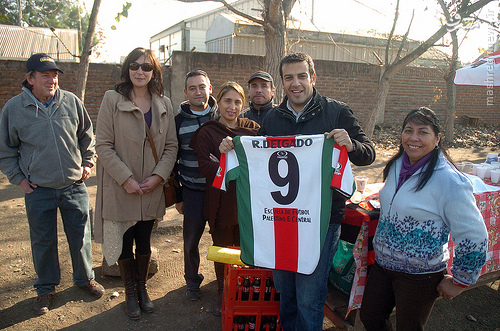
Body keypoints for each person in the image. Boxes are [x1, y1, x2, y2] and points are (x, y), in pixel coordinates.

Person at [219, 52, 375, 330]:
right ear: (282, 83)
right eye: (289, 77)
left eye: (302, 76)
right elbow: (259, 160)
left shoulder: (336, 111)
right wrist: (234, 148)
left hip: (321, 222)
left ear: (313, 78)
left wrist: (350, 144)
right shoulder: (273, 118)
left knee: (309, 297)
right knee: (286, 294)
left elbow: (368, 154)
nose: (296, 83)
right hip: (280, 221)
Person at [360, 107, 488, 331]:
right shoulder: (398, 164)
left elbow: (474, 235)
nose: (414, 138)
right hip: (383, 266)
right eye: (408, 130)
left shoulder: (450, 181)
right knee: (370, 317)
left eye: (423, 132)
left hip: (420, 277)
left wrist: (460, 280)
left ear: (438, 138)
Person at [0, 53, 104, 315]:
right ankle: (46, 288)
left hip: (73, 186)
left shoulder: (71, 102)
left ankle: (85, 279)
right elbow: (5, 150)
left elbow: (87, 137)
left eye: (54, 75)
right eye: (45, 75)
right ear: (30, 78)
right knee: (43, 241)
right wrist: (20, 180)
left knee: (80, 237)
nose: (52, 79)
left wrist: (88, 164)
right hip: (38, 190)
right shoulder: (14, 109)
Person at [94, 47, 178, 320]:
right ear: (127, 69)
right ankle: (129, 292)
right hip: (122, 188)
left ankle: (142, 288)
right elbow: (104, 145)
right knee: (124, 241)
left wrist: (158, 177)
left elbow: (171, 147)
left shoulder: (164, 103)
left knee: (144, 240)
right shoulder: (111, 99)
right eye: (134, 66)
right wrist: (126, 179)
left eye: (146, 67)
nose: (140, 72)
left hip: (150, 188)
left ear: (154, 72)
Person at [190, 81, 260, 316]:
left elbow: (260, 161)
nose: (232, 107)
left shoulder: (252, 128)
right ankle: (223, 289)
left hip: (246, 199)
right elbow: (205, 167)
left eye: (238, 102)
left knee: (243, 246)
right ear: (218, 102)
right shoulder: (208, 132)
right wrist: (222, 156)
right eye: (227, 101)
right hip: (220, 199)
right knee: (222, 246)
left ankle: (241, 289)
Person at [174, 69, 218, 301]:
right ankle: (192, 282)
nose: (198, 92)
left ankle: (224, 281)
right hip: (192, 191)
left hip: (220, 192)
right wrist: (178, 196)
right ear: (186, 92)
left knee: (223, 240)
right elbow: (172, 159)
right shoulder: (178, 121)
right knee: (191, 241)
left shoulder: (221, 116)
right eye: (192, 88)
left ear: (210, 88)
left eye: (202, 87)